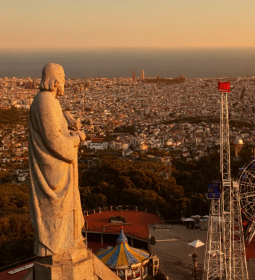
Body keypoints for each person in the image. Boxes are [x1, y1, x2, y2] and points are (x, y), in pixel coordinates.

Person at [28, 63, 85, 256]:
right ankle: (55, 248)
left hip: (57, 169)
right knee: (56, 216)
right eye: (63, 78)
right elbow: (53, 141)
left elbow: (58, 134)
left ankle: (66, 244)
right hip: (53, 172)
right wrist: (76, 139)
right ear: (54, 80)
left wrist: (71, 130)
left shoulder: (50, 101)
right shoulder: (45, 102)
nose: (65, 83)